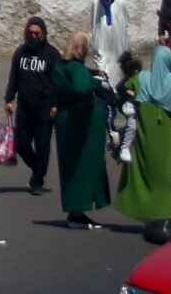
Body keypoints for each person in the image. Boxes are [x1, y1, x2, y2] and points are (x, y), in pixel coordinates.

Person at [114, 45, 171, 223]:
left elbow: (120, 96)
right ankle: (163, 215)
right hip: (166, 137)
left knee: (144, 174)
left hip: (143, 135)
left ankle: (148, 214)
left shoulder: (140, 79)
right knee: (166, 176)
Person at [51, 31, 113, 229]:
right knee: (82, 167)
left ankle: (75, 211)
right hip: (80, 123)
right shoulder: (77, 70)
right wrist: (92, 91)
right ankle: (77, 212)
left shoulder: (61, 65)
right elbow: (81, 88)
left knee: (70, 167)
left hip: (66, 120)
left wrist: (91, 73)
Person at [4, 16, 60, 196]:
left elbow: (58, 81)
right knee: (20, 143)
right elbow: (14, 77)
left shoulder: (52, 54)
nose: (33, 36)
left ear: (43, 34)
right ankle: (37, 167)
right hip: (24, 106)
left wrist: (56, 104)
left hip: (45, 107)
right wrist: (8, 99)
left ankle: (37, 182)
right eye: (30, 33)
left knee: (42, 146)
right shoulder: (20, 52)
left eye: (37, 33)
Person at [89, 0, 130, 78]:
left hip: (116, 40)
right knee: (101, 61)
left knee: (117, 63)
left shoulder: (120, 2)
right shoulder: (96, 2)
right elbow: (93, 20)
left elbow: (125, 21)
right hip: (101, 38)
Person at [113, 51, 143, 163]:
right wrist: (131, 93)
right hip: (128, 107)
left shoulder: (131, 79)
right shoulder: (128, 80)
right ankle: (125, 148)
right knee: (132, 127)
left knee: (130, 127)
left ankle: (119, 137)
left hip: (129, 105)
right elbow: (119, 87)